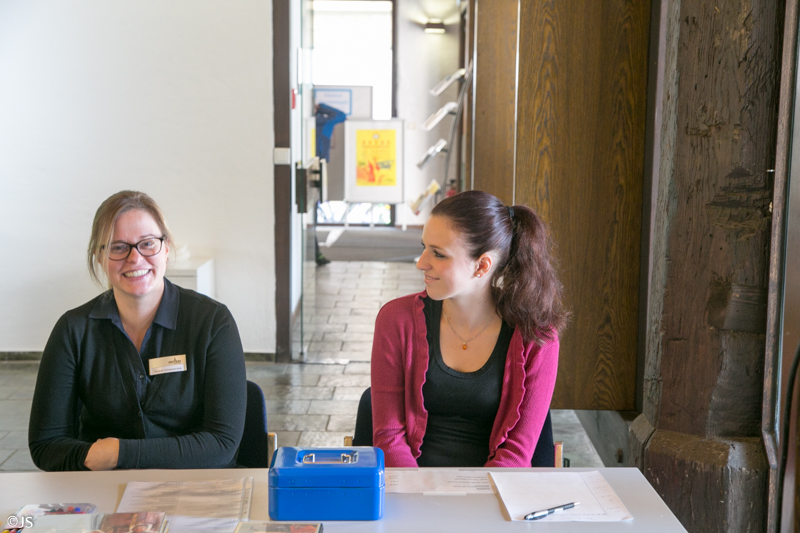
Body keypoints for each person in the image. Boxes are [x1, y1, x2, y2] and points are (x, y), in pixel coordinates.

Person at [29, 191, 247, 471]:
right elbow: (46, 445)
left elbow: (222, 443)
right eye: (118, 247)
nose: (135, 258)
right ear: (99, 256)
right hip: (102, 492)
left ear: (166, 248)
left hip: (195, 488)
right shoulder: (73, 331)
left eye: (147, 244)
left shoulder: (213, 322)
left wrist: (120, 453)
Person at [371, 190, 567, 467]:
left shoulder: (537, 335)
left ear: (482, 266)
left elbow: (516, 453)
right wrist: (422, 497)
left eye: (438, 254)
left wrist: (474, 503)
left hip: (495, 495)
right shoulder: (395, 320)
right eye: (424, 247)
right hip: (412, 492)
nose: (421, 263)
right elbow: (389, 437)